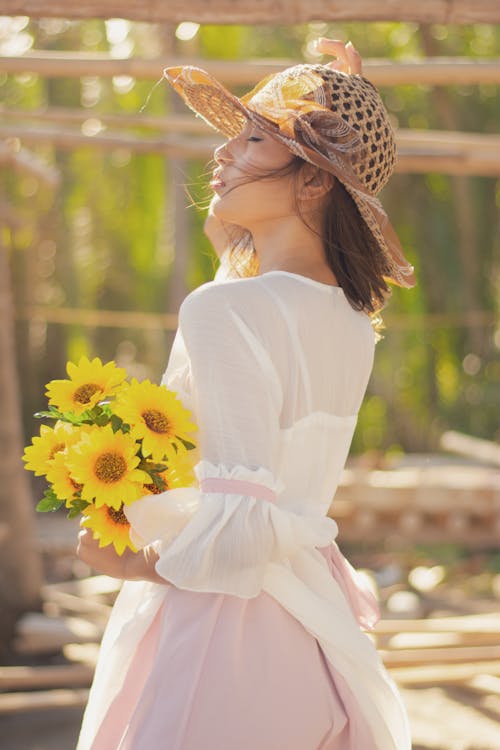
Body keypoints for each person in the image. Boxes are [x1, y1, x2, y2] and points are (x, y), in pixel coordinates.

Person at [76, 39, 415, 750]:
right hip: (309, 630)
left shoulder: (223, 310)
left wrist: (125, 563)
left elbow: (238, 525)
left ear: (316, 181)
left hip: (220, 634)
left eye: (253, 139)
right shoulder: (353, 321)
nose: (222, 155)